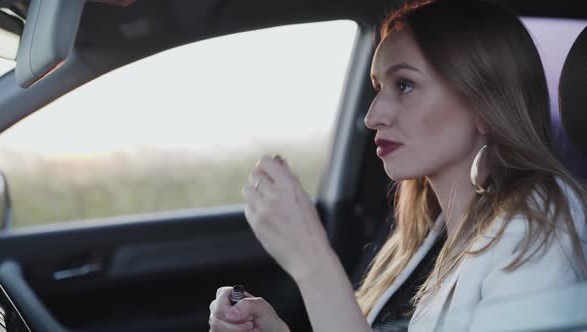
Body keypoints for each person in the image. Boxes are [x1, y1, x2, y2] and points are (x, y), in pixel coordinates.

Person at [208, 0, 587, 331]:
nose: (373, 116)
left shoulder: (542, 219)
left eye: (404, 85)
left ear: (484, 106)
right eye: (378, 88)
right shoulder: (429, 233)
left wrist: (312, 261)